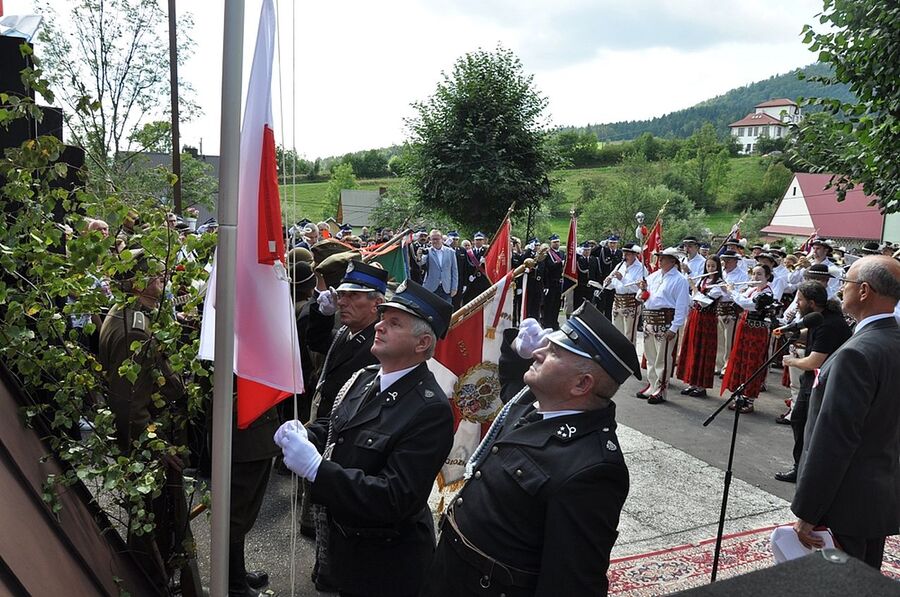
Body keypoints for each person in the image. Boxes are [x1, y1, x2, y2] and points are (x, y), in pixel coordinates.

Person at [421, 302, 640, 597]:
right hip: (451, 572)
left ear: (581, 383)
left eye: (552, 352)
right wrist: (514, 349)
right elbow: (511, 384)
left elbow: (572, 582)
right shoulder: (533, 403)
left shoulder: (593, 468)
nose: (537, 353)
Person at [276, 280, 455, 596]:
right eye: (383, 317)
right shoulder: (367, 377)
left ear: (422, 342)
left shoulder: (430, 409)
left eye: (394, 323)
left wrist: (319, 470)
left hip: (386, 563)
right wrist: (306, 434)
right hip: (347, 546)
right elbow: (337, 429)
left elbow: (394, 498)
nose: (380, 326)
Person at [98, 251, 197, 593]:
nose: (162, 281)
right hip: (150, 447)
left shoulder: (131, 316)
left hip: (151, 441)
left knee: (160, 522)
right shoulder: (133, 331)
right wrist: (156, 445)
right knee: (151, 527)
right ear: (137, 282)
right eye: (156, 276)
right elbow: (129, 405)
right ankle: (148, 585)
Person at [792, 256, 900, 569]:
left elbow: (834, 440)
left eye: (847, 284)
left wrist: (808, 511)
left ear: (864, 291)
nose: (840, 291)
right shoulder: (890, 340)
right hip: (877, 495)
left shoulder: (857, 353)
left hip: (845, 502)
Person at [775, 281, 850, 483]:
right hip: (813, 381)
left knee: (809, 426)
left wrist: (791, 361)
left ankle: (806, 470)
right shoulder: (822, 317)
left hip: (821, 382)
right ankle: (801, 467)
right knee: (799, 420)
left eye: (799, 300)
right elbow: (811, 328)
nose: (797, 303)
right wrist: (792, 331)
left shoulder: (829, 325)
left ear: (812, 302)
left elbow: (814, 361)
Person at [636, 247, 690, 403]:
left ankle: (661, 388)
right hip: (650, 320)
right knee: (651, 356)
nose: (660, 260)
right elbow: (641, 298)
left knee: (663, 359)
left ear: (673, 261)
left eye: (663, 258)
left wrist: (674, 327)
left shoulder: (680, 280)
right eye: (659, 258)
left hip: (666, 321)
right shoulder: (653, 276)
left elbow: (682, 306)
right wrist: (643, 290)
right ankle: (652, 385)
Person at [720, 264, 776, 414]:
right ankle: (740, 395)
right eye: (754, 274)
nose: (755, 277)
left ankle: (749, 399)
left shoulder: (767, 293)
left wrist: (732, 292)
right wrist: (728, 290)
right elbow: (741, 298)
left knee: (752, 364)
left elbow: (749, 305)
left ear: (767, 277)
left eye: (759, 275)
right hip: (746, 329)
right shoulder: (752, 289)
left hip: (757, 332)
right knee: (741, 361)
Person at [677, 255, 725, 398]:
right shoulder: (703, 280)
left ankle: (701, 385)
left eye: (713, 267)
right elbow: (694, 300)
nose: (710, 269)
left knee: (703, 350)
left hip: (707, 320)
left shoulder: (720, 283)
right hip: (696, 317)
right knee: (692, 348)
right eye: (708, 266)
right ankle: (691, 382)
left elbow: (706, 301)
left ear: (718, 268)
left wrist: (693, 287)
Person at [715, 250, 749, 377]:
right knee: (719, 340)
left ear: (735, 261)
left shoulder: (742, 275)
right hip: (720, 308)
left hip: (731, 309)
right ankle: (718, 365)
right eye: (724, 260)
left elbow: (741, 294)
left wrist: (727, 290)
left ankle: (727, 365)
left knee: (730, 340)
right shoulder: (722, 273)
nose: (726, 262)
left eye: (729, 260)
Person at [606, 242, 646, 344]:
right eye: (624, 254)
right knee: (616, 332)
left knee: (629, 335)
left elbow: (639, 288)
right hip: (617, 301)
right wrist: (608, 282)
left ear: (634, 255)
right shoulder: (620, 265)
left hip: (631, 303)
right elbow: (612, 285)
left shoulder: (640, 268)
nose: (624, 256)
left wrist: (622, 279)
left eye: (627, 254)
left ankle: (629, 357)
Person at [420, 228, 459, 303]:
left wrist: (454, 287)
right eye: (433, 239)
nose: (435, 241)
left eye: (437, 239)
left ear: (441, 239)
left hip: (446, 287)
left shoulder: (451, 252)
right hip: (431, 287)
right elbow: (421, 263)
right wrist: (422, 255)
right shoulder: (427, 251)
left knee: (445, 312)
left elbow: (454, 271)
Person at [542, 233, 565, 329]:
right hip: (551, 282)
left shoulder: (562, 253)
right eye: (554, 242)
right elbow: (549, 267)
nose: (557, 244)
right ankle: (547, 323)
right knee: (549, 304)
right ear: (551, 243)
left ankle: (555, 322)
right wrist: (560, 264)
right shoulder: (548, 254)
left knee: (557, 305)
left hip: (560, 282)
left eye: (558, 242)